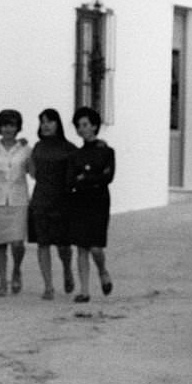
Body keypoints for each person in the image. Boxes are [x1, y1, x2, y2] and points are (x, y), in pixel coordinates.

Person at [0, 109, 31, 296]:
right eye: (4, 125)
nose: (8, 129)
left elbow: (32, 171)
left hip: (18, 200)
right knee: (0, 244)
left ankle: (16, 271)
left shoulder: (26, 149)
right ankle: (3, 282)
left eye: (11, 125)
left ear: (17, 127)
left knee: (17, 243)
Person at [28, 108, 76, 299]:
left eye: (49, 121)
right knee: (43, 243)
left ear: (58, 124)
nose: (45, 125)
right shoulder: (37, 147)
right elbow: (32, 172)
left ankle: (67, 270)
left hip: (62, 199)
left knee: (63, 245)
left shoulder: (69, 148)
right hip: (41, 198)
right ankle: (48, 286)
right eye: (42, 122)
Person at [70, 106, 115, 302]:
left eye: (85, 124)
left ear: (94, 126)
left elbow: (108, 176)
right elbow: (72, 179)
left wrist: (85, 176)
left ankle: (103, 271)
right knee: (81, 247)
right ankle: (84, 290)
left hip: (99, 201)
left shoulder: (107, 151)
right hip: (80, 201)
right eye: (79, 126)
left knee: (96, 247)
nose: (81, 129)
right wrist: (91, 177)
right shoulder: (76, 154)